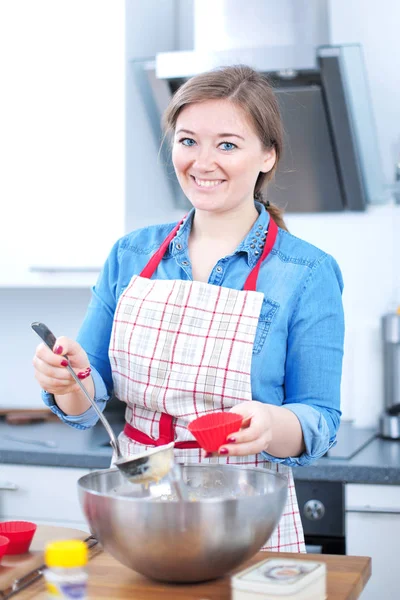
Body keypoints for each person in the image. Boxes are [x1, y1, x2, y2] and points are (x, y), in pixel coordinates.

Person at [33, 65, 344, 553]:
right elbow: (88, 398)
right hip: (138, 507)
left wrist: (270, 424)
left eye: (227, 144)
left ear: (267, 155)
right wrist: (66, 378)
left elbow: (320, 418)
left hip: (247, 515)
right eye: (187, 141)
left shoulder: (307, 271)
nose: (202, 162)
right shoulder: (131, 254)